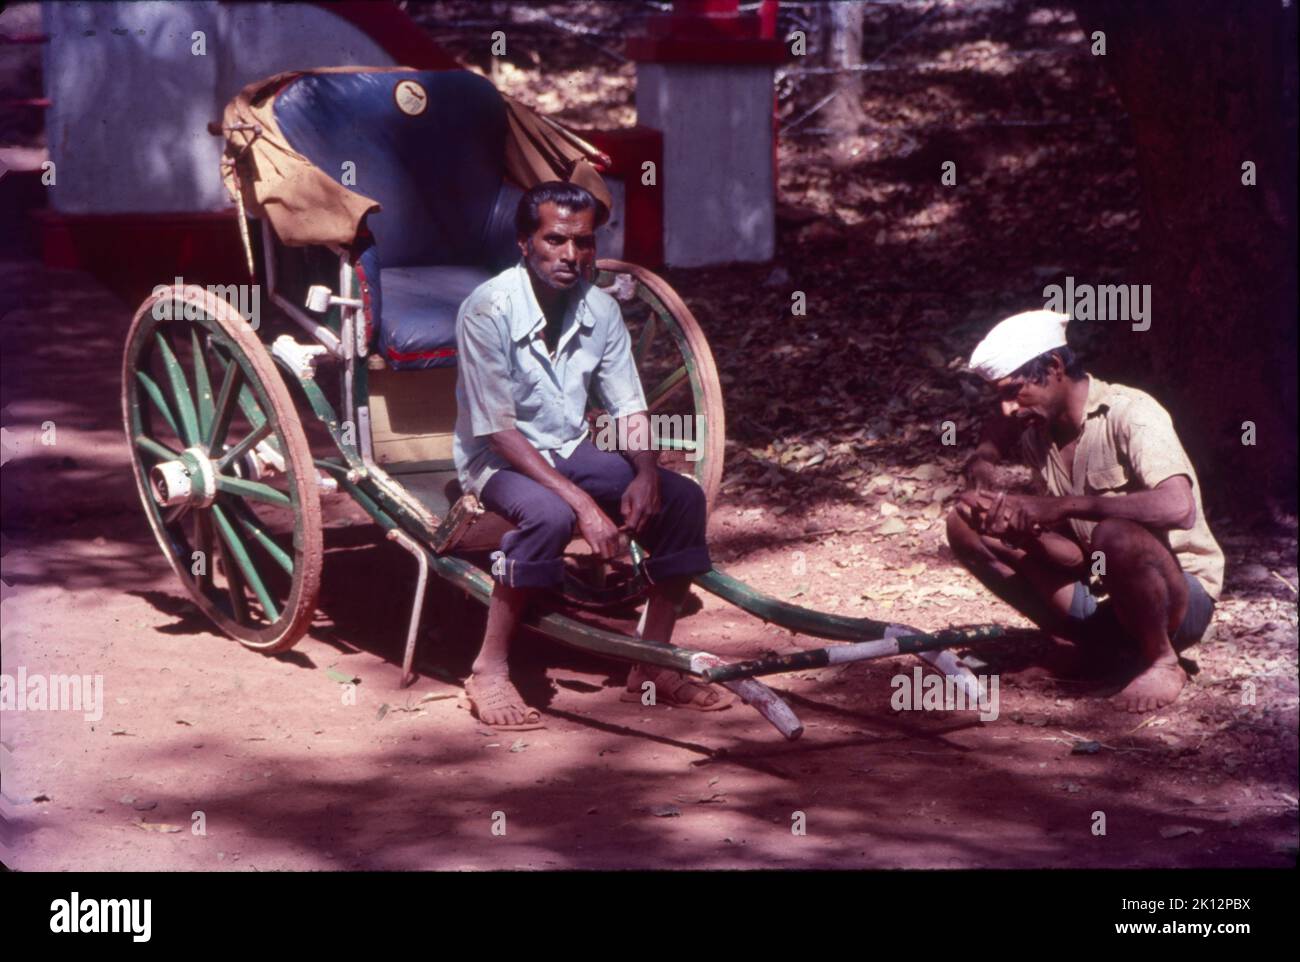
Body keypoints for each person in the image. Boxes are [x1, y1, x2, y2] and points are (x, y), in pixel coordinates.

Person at [452, 181, 731, 729]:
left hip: (570, 447)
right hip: (499, 461)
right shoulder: (486, 310)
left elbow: (628, 403)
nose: (571, 256)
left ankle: (651, 667)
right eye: (555, 240)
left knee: (681, 499)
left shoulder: (599, 308)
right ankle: (488, 669)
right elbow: (498, 431)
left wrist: (647, 472)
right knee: (550, 515)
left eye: (582, 243)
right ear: (524, 244)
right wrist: (583, 504)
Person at [945, 309, 1224, 712]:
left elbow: (1179, 507)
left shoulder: (1132, 412)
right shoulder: (1038, 426)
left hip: (1177, 599)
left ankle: (1163, 660)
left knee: (1116, 533)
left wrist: (1064, 507)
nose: (1007, 408)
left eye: (1014, 391)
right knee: (966, 520)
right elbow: (1078, 557)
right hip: (1102, 587)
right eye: (999, 397)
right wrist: (986, 462)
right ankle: (1081, 646)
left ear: (1055, 366)